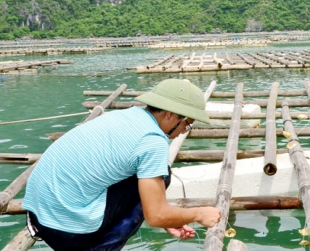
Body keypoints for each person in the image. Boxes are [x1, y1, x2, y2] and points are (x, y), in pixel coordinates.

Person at [23, 79, 221, 250]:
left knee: (149, 178)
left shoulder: (126, 116)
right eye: (187, 124)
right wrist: (199, 213)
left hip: (39, 217)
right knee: (164, 174)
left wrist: (170, 219)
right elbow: (156, 215)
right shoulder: (153, 140)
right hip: (67, 232)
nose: (184, 131)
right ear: (170, 115)